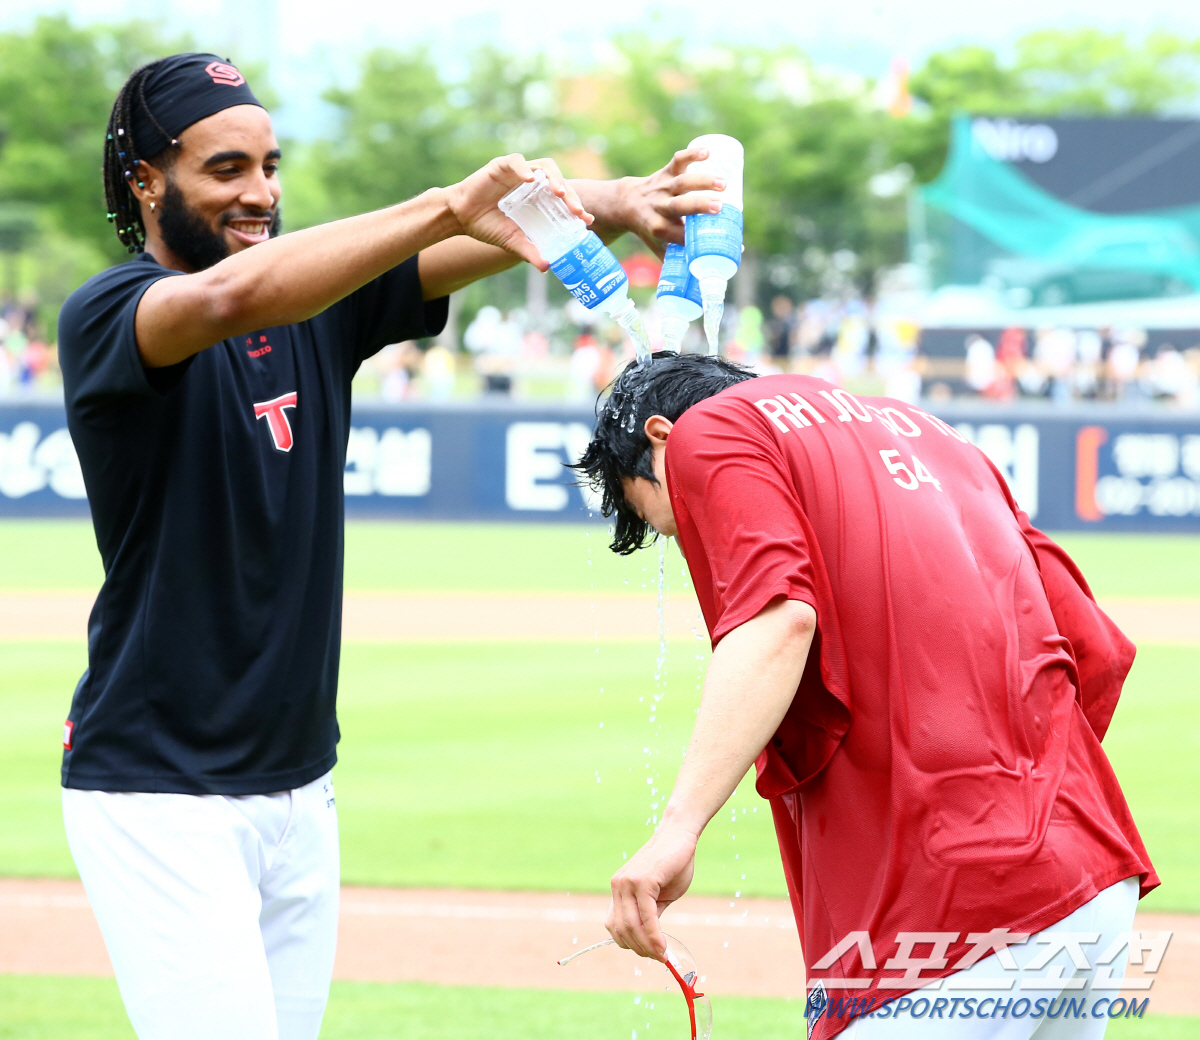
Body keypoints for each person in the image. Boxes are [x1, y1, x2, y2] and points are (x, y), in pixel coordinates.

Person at [57, 53, 724, 1040]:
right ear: (145, 182)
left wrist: (615, 199)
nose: (262, 192)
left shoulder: (321, 303)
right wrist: (445, 202)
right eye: (227, 169)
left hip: (298, 783)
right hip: (162, 790)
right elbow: (233, 298)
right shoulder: (111, 314)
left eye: (272, 166)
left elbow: (478, 235)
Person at [574, 353, 1157, 1040]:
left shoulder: (710, 430)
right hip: (1090, 883)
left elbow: (780, 618)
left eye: (672, 520)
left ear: (661, 436)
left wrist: (678, 830)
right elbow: (1097, 650)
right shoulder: (935, 434)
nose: (696, 535)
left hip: (944, 910)